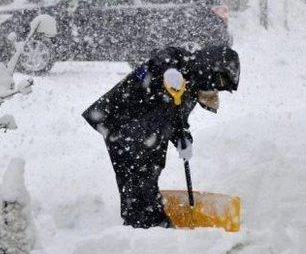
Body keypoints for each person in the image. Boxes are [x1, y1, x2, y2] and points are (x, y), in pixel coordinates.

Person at [82, 46, 240, 228]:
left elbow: (177, 118)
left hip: (146, 129)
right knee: (139, 172)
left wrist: (183, 137)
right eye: (219, 80)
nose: (216, 88)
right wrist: (170, 70)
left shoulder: (192, 88)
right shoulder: (181, 60)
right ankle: (148, 224)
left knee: (147, 171)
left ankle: (144, 222)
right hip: (123, 121)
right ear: (211, 65)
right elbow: (163, 56)